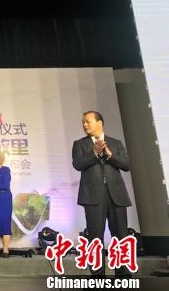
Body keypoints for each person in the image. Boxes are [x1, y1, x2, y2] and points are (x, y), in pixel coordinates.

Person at [72, 111, 131, 276]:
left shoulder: (115, 143)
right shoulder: (80, 144)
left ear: (99, 123)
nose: (84, 125)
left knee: (121, 236)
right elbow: (78, 164)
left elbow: (126, 165)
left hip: (116, 195)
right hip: (92, 196)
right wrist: (94, 154)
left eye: (88, 121)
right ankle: (98, 277)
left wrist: (111, 155)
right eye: (83, 122)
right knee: (95, 237)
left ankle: (123, 274)